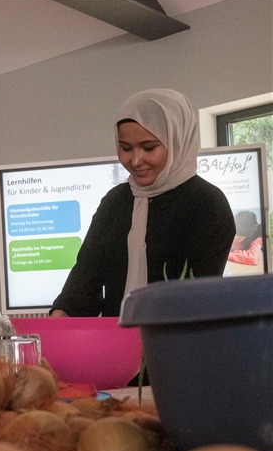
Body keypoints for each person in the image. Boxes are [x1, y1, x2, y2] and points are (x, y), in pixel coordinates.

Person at [51, 88, 235, 318]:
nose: (136, 160)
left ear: (177, 141)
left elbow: (198, 297)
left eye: (149, 148)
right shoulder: (115, 202)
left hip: (176, 344)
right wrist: (59, 319)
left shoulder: (206, 203)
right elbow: (86, 277)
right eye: (126, 148)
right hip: (116, 342)